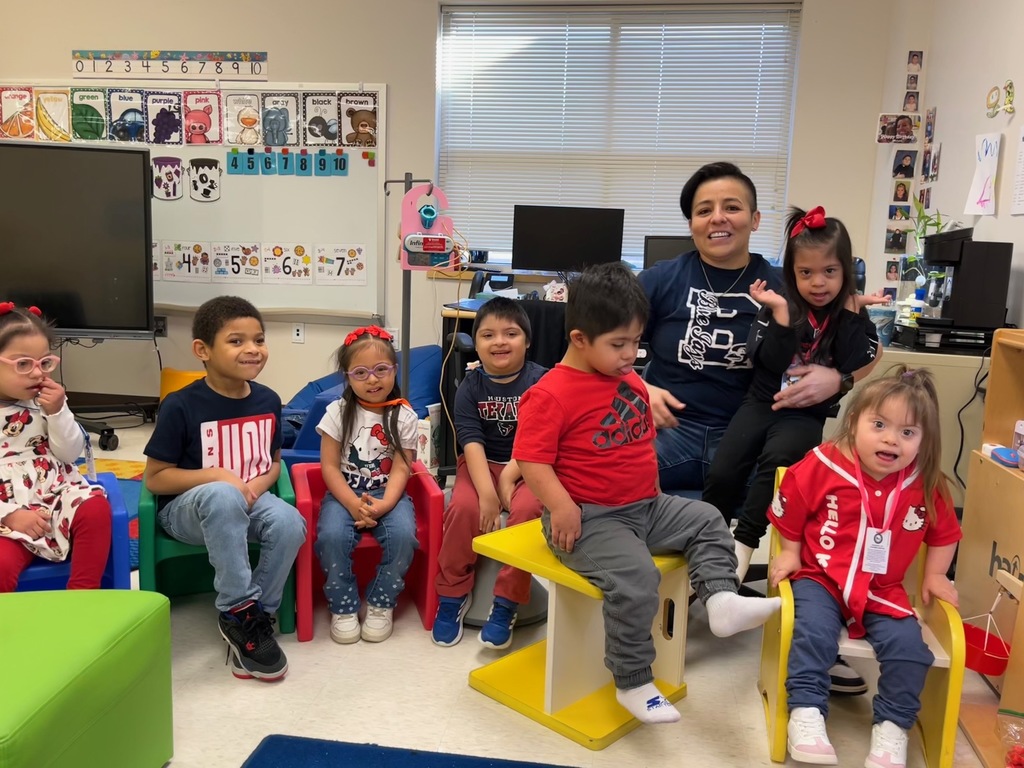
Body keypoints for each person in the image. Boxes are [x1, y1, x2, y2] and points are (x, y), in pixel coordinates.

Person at [638, 161, 872, 696]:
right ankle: (635, 617)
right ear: (691, 222)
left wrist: (837, 378)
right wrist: (639, 386)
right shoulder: (661, 279)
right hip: (670, 430)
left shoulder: (790, 281)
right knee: (604, 480)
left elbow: (863, 347)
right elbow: (595, 343)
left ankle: (815, 642)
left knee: (821, 495)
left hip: (750, 432)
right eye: (704, 210)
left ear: (754, 217)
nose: (718, 218)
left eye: (731, 207)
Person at [513, 262, 780, 726]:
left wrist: (653, 487)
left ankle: (719, 600)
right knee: (638, 581)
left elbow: (638, 442)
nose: (630, 354)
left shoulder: (628, 378)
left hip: (645, 506)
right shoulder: (550, 393)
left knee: (708, 519)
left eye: (637, 342)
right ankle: (632, 680)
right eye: (619, 344)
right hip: (590, 519)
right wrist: (560, 506)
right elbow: (532, 461)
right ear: (579, 339)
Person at [769, 367, 961, 766]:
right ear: (854, 422)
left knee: (911, 650)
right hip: (820, 578)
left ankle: (892, 727)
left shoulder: (925, 483)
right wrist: (789, 552)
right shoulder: (823, 463)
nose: (891, 439)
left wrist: (936, 574)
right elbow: (790, 508)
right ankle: (805, 711)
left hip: (882, 590)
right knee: (813, 633)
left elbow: (945, 533)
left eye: (908, 433)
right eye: (879, 425)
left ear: (924, 442)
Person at [703, 206, 880, 583]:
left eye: (830, 272)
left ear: (846, 272)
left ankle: (743, 547)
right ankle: (708, 546)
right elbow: (766, 359)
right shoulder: (778, 305)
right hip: (761, 402)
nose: (819, 283)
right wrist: (782, 316)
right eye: (806, 273)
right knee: (723, 469)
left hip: (805, 414)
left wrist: (851, 312)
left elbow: (855, 358)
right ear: (792, 274)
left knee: (779, 460)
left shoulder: (847, 313)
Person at [144, 296, 305, 681]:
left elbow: (273, 461)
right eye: (236, 341)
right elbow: (155, 478)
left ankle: (254, 620)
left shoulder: (267, 399)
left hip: (248, 501)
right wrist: (217, 476)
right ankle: (237, 608)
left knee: (290, 521)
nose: (252, 349)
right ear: (203, 350)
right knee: (221, 494)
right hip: (188, 513)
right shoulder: (180, 405)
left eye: (259, 339)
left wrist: (255, 485)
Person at [432, 298, 547, 649]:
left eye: (510, 333)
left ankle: (507, 601)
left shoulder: (541, 382)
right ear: (475, 343)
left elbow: (538, 440)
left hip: (530, 464)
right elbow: (470, 441)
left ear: (527, 341)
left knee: (527, 513)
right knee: (463, 508)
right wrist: (486, 493)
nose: (499, 341)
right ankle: (452, 594)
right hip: (481, 462)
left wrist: (509, 479)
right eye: (488, 335)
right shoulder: (470, 386)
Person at [314, 325, 419, 644]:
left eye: (381, 370)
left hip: (389, 494)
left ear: (394, 370)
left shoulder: (404, 416)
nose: (372, 380)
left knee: (403, 536)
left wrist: (386, 503)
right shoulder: (338, 412)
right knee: (331, 536)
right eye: (361, 373)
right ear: (347, 377)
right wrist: (350, 502)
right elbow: (329, 467)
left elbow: (402, 468)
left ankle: (380, 603)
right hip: (344, 493)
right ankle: (343, 606)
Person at [0, 303, 112, 592]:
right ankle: (11, 625)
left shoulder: (45, 402)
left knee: (96, 509)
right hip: (6, 514)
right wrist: (9, 514)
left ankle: (82, 597)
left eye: (44, 362)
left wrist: (58, 412)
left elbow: (68, 454)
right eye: (23, 364)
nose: (38, 374)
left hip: (55, 496)